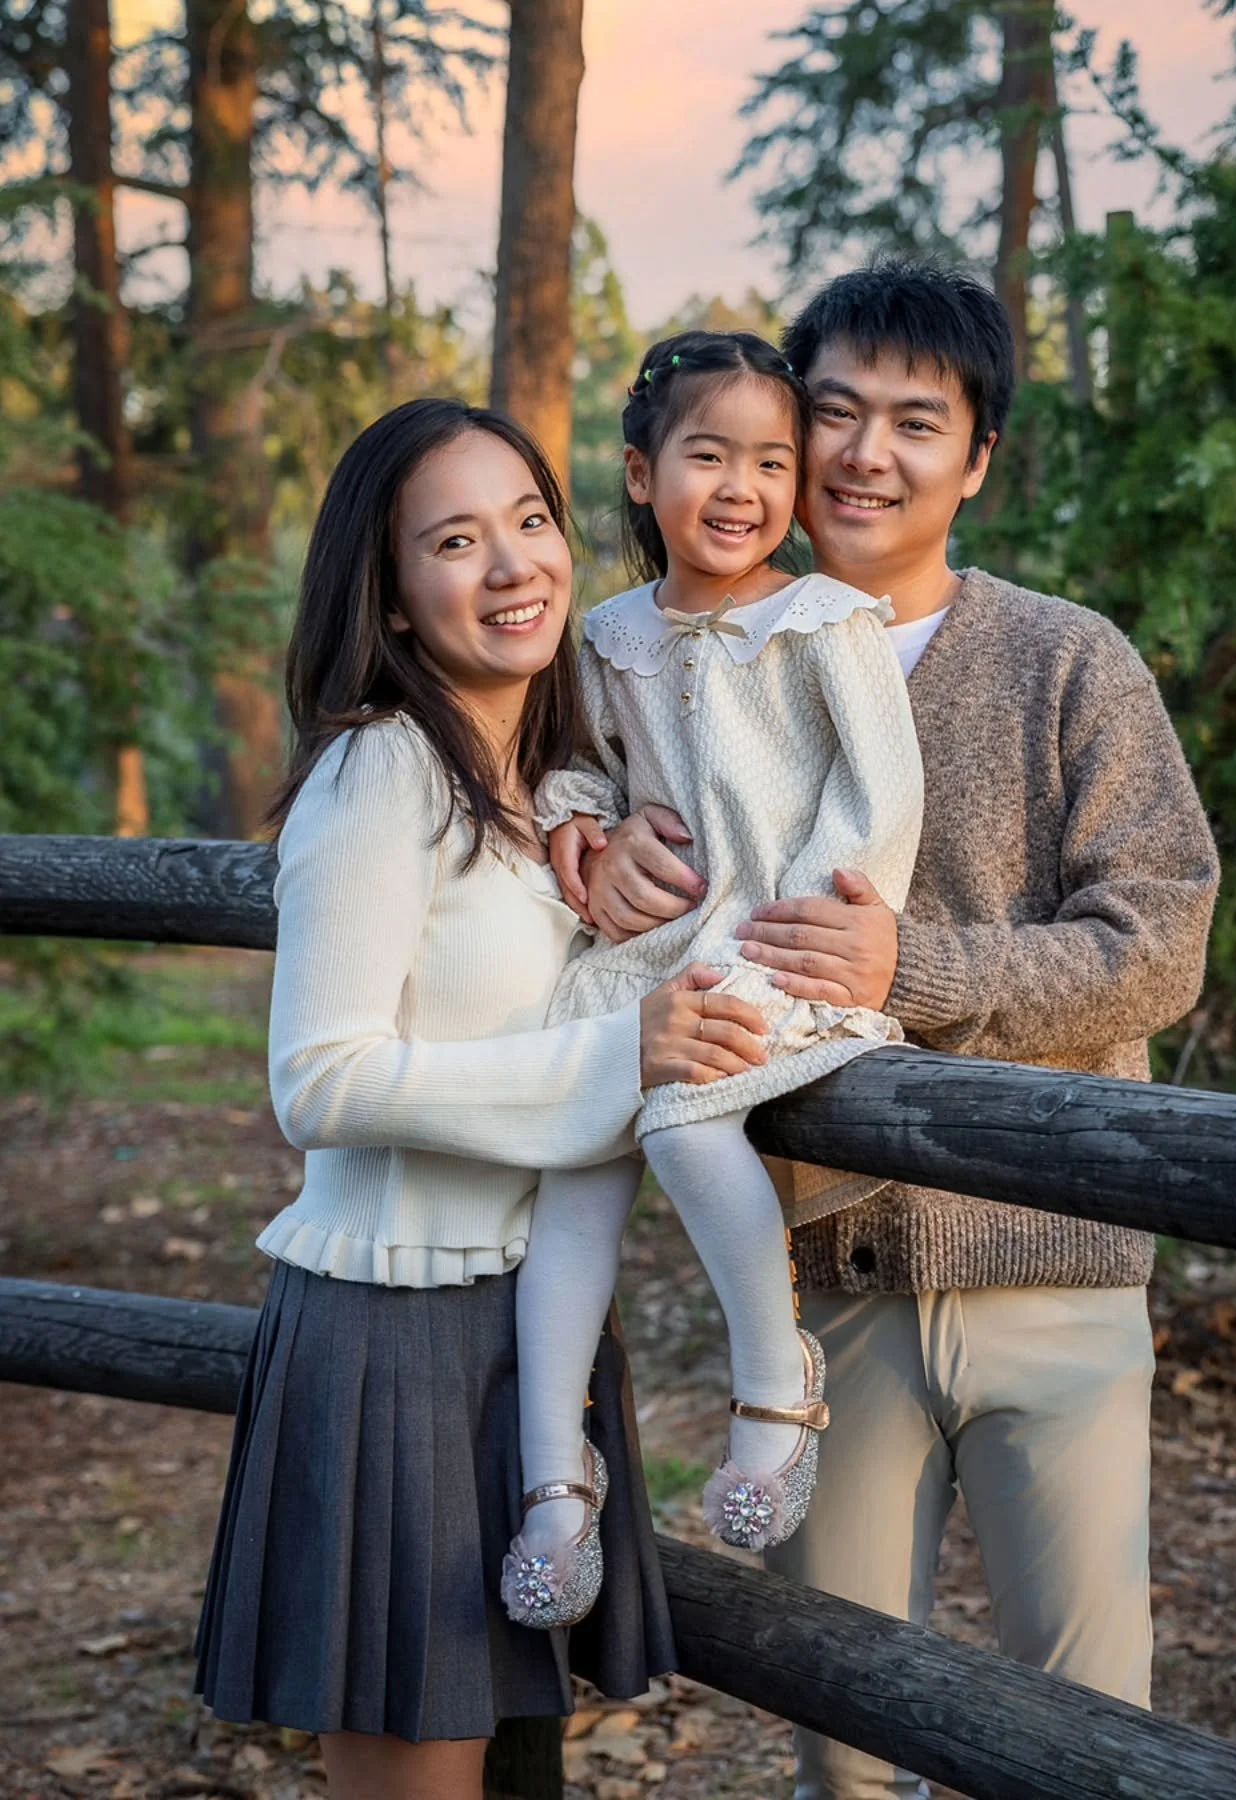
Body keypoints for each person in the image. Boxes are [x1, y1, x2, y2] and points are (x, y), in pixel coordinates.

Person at [571, 262, 1221, 1800]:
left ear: (977, 458)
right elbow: (573, 789)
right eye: (835, 416)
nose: (866, 455)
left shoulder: (1069, 661)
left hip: (1052, 1277)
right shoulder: (702, 657)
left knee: (1084, 1737)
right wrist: (585, 844)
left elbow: (1162, 942)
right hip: (823, 1300)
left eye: (915, 424)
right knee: (845, 1740)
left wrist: (909, 964)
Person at [193, 398, 774, 1800]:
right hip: (394, 1331)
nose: (512, 565)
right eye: (455, 541)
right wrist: (615, 1059)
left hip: (528, 1328)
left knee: (508, 1766)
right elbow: (318, 1079)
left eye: (528, 522)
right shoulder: (383, 769)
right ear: (390, 593)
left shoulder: (538, 785)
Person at [501, 330, 925, 1630]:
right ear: (641, 474)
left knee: (687, 1114)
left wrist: (803, 926)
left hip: (785, 940)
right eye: (708, 455)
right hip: (653, 949)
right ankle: (551, 1477)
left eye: (772, 461)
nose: (741, 485)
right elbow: (576, 764)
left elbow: (880, 792)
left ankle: (774, 1382)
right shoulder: (610, 633)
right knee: (572, 1157)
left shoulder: (825, 624)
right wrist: (579, 823)